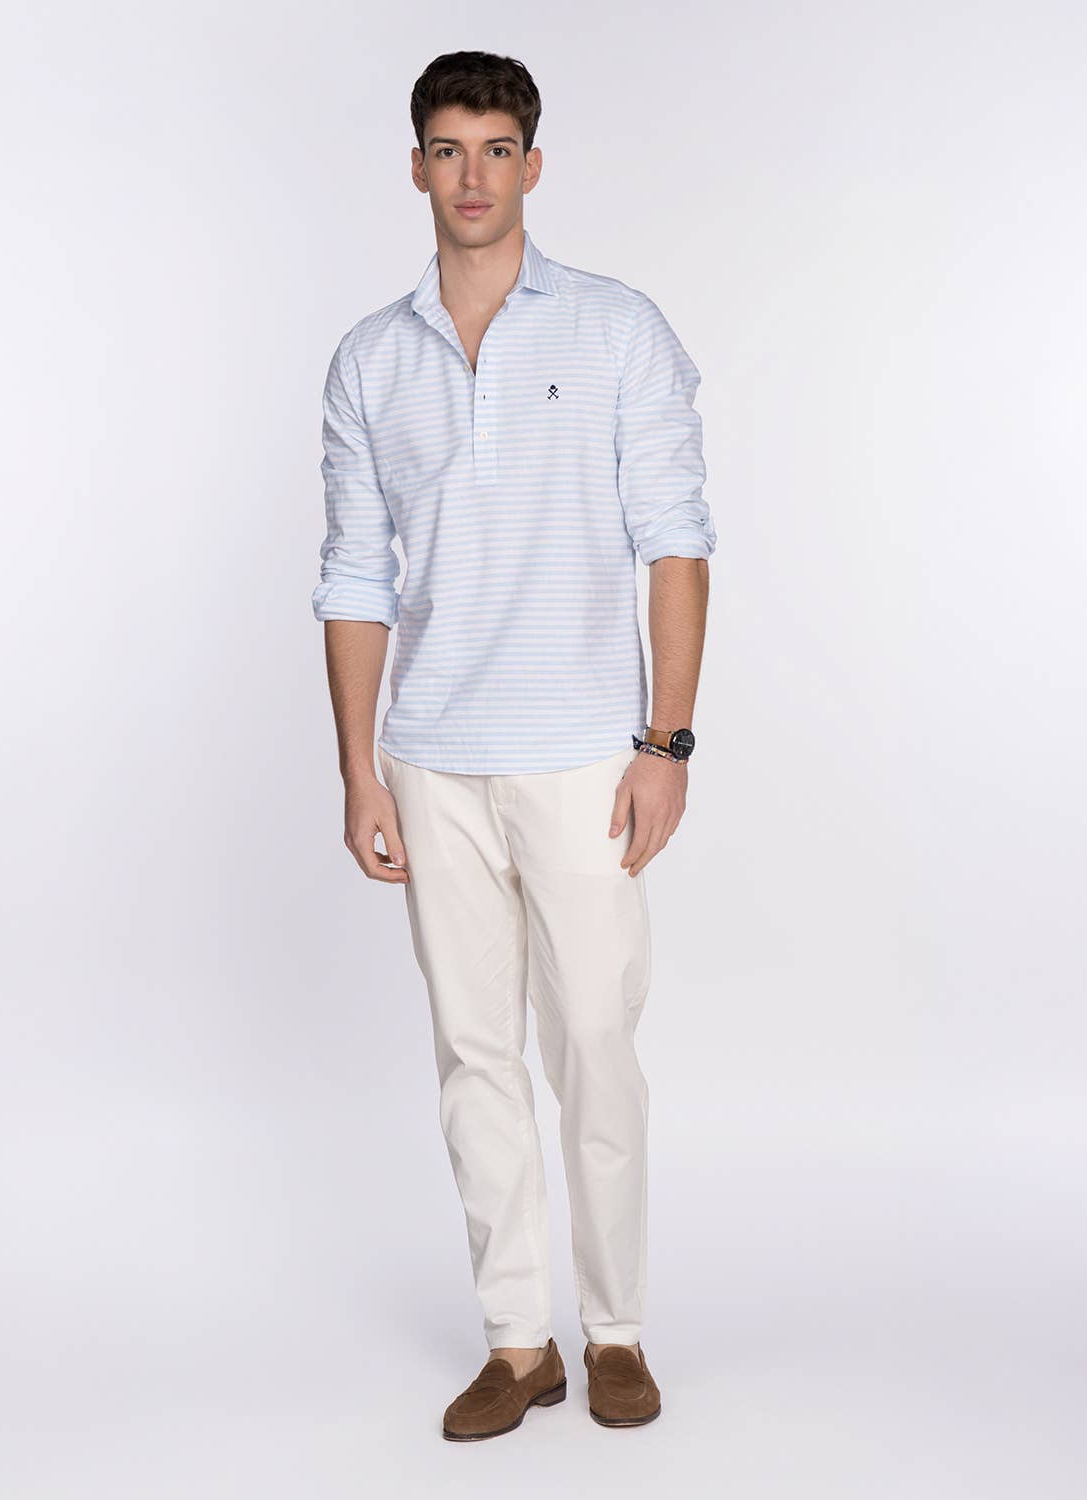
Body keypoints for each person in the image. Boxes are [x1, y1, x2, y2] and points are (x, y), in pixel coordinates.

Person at [311, 50, 716, 1441]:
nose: (472, 175)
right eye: (448, 148)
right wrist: (360, 768)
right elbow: (354, 575)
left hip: (584, 753)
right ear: (416, 167)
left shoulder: (616, 330)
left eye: (495, 148)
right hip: (433, 756)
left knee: (594, 1041)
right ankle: (516, 1339)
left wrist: (667, 740)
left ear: (533, 166)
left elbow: (677, 539)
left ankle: (616, 1332)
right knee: (473, 1051)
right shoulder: (370, 359)